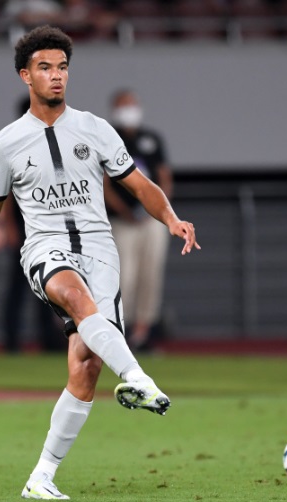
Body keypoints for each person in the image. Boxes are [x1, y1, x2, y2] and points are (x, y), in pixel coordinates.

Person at [0, 25, 200, 500]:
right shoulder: (6, 144)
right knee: (73, 294)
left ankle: (41, 477)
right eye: (45, 68)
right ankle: (138, 378)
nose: (56, 76)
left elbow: (139, 185)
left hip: (100, 250)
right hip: (45, 248)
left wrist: (171, 218)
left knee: (86, 366)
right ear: (25, 76)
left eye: (62, 67)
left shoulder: (95, 129)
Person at [0, 97, 64, 354]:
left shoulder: (54, 143)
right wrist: (9, 226)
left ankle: (49, 337)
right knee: (19, 284)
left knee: (50, 280)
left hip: (49, 225)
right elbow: (6, 192)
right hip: (24, 226)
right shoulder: (13, 146)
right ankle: (11, 339)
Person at [104, 88, 174, 350]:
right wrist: (125, 211)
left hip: (151, 220)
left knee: (150, 273)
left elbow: (164, 178)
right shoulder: (108, 139)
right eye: (124, 106)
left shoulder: (151, 139)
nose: (129, 111)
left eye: (132, 105)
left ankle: (145, 330)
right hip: (122, 222)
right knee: (124, 276)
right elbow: (104, 184)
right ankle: (122, 329)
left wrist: (159, 210)